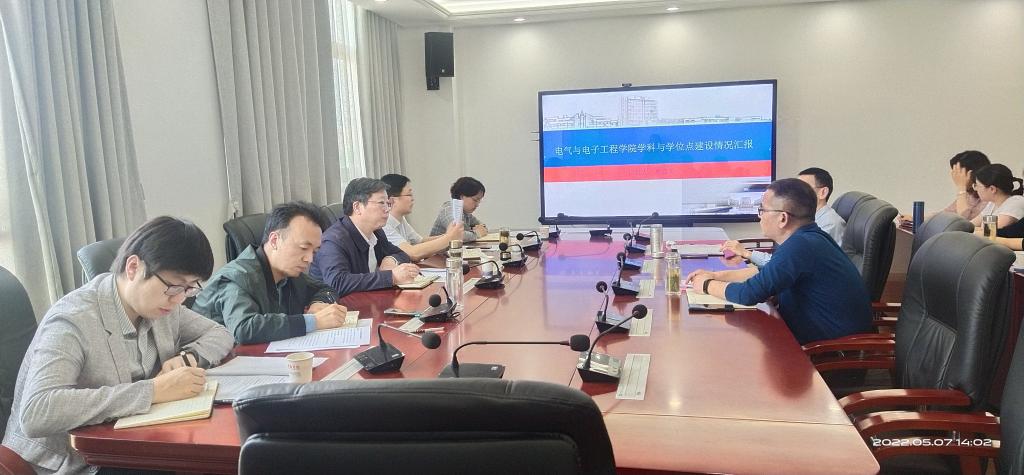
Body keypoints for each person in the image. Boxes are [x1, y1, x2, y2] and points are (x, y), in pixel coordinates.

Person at [3, 217, 234, 474]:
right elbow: (37, 411)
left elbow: (220, 334)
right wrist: (153, 391)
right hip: (75, 462)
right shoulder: (74, 318)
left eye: (189, 289)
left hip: (132, 442)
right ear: (133, 267)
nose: (179, 299)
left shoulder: (164, 307)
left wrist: (187, 358)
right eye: (173, 287)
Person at [687, 178, 871, 345]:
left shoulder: (801, 246)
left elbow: (749, 294)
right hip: (814, 337)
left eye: (762, 210)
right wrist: (716, 276)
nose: (759, 216)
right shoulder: (808, 238)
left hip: (829, 352)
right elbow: (766, 272)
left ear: (783, 218)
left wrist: (706, 285)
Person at [192, 202, 349, 344]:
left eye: (314, 251)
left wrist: (318, 304)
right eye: (303, 248)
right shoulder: (238, 277)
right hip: (211, 361)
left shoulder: (288, 273)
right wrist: (313, 321)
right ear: (274, 240)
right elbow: (244, 328)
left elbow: (326, 289)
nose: (309, 259)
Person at [311, 178, 420, 296]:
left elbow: (401, 254)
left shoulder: (376, 232)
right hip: (335, 305)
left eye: (387, 203)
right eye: (381, 203)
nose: (387, 209)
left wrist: (391, 259)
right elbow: (337, 283)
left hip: (367, 299)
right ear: (357, 207)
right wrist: (391, 277)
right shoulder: (333, 241)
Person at [721, 167, 846, 267]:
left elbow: (786, 263)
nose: (794, 194)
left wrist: (746, 253)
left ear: (823, 192)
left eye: (803, 188)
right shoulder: (803, 220)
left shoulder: (829, 223)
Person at [380, 173, 464, 261]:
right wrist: (449, 238)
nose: (412, 199)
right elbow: (411, 253)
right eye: (409, 195)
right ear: (392, 200)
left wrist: (449, 235)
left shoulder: (401, 219)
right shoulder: (384, 225)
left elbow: (421, 241)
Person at [899, 150, 990, 224]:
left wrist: (961, 187)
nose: (955, 177)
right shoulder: (969, 194)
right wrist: (916, 219)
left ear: (971, 173)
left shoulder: (988, 195)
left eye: (958, 172)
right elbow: (946, 215)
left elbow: (964, 221)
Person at [430, 176, 488, 242]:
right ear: (462, 197)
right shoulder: (449, 210)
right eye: (475, 200)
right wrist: (477, 233)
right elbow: (457, 236)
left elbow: (482, 226)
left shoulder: (466, 213)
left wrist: (481, 229)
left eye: (479, 201)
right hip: (438, 248)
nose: (477, 205)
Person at [969, 163, 1024, 229]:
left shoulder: (1016, 202)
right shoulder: (992, 204)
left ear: (992, 189)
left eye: (977, 185)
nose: (975, 189)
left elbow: (989, 231)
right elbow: (970, 225)